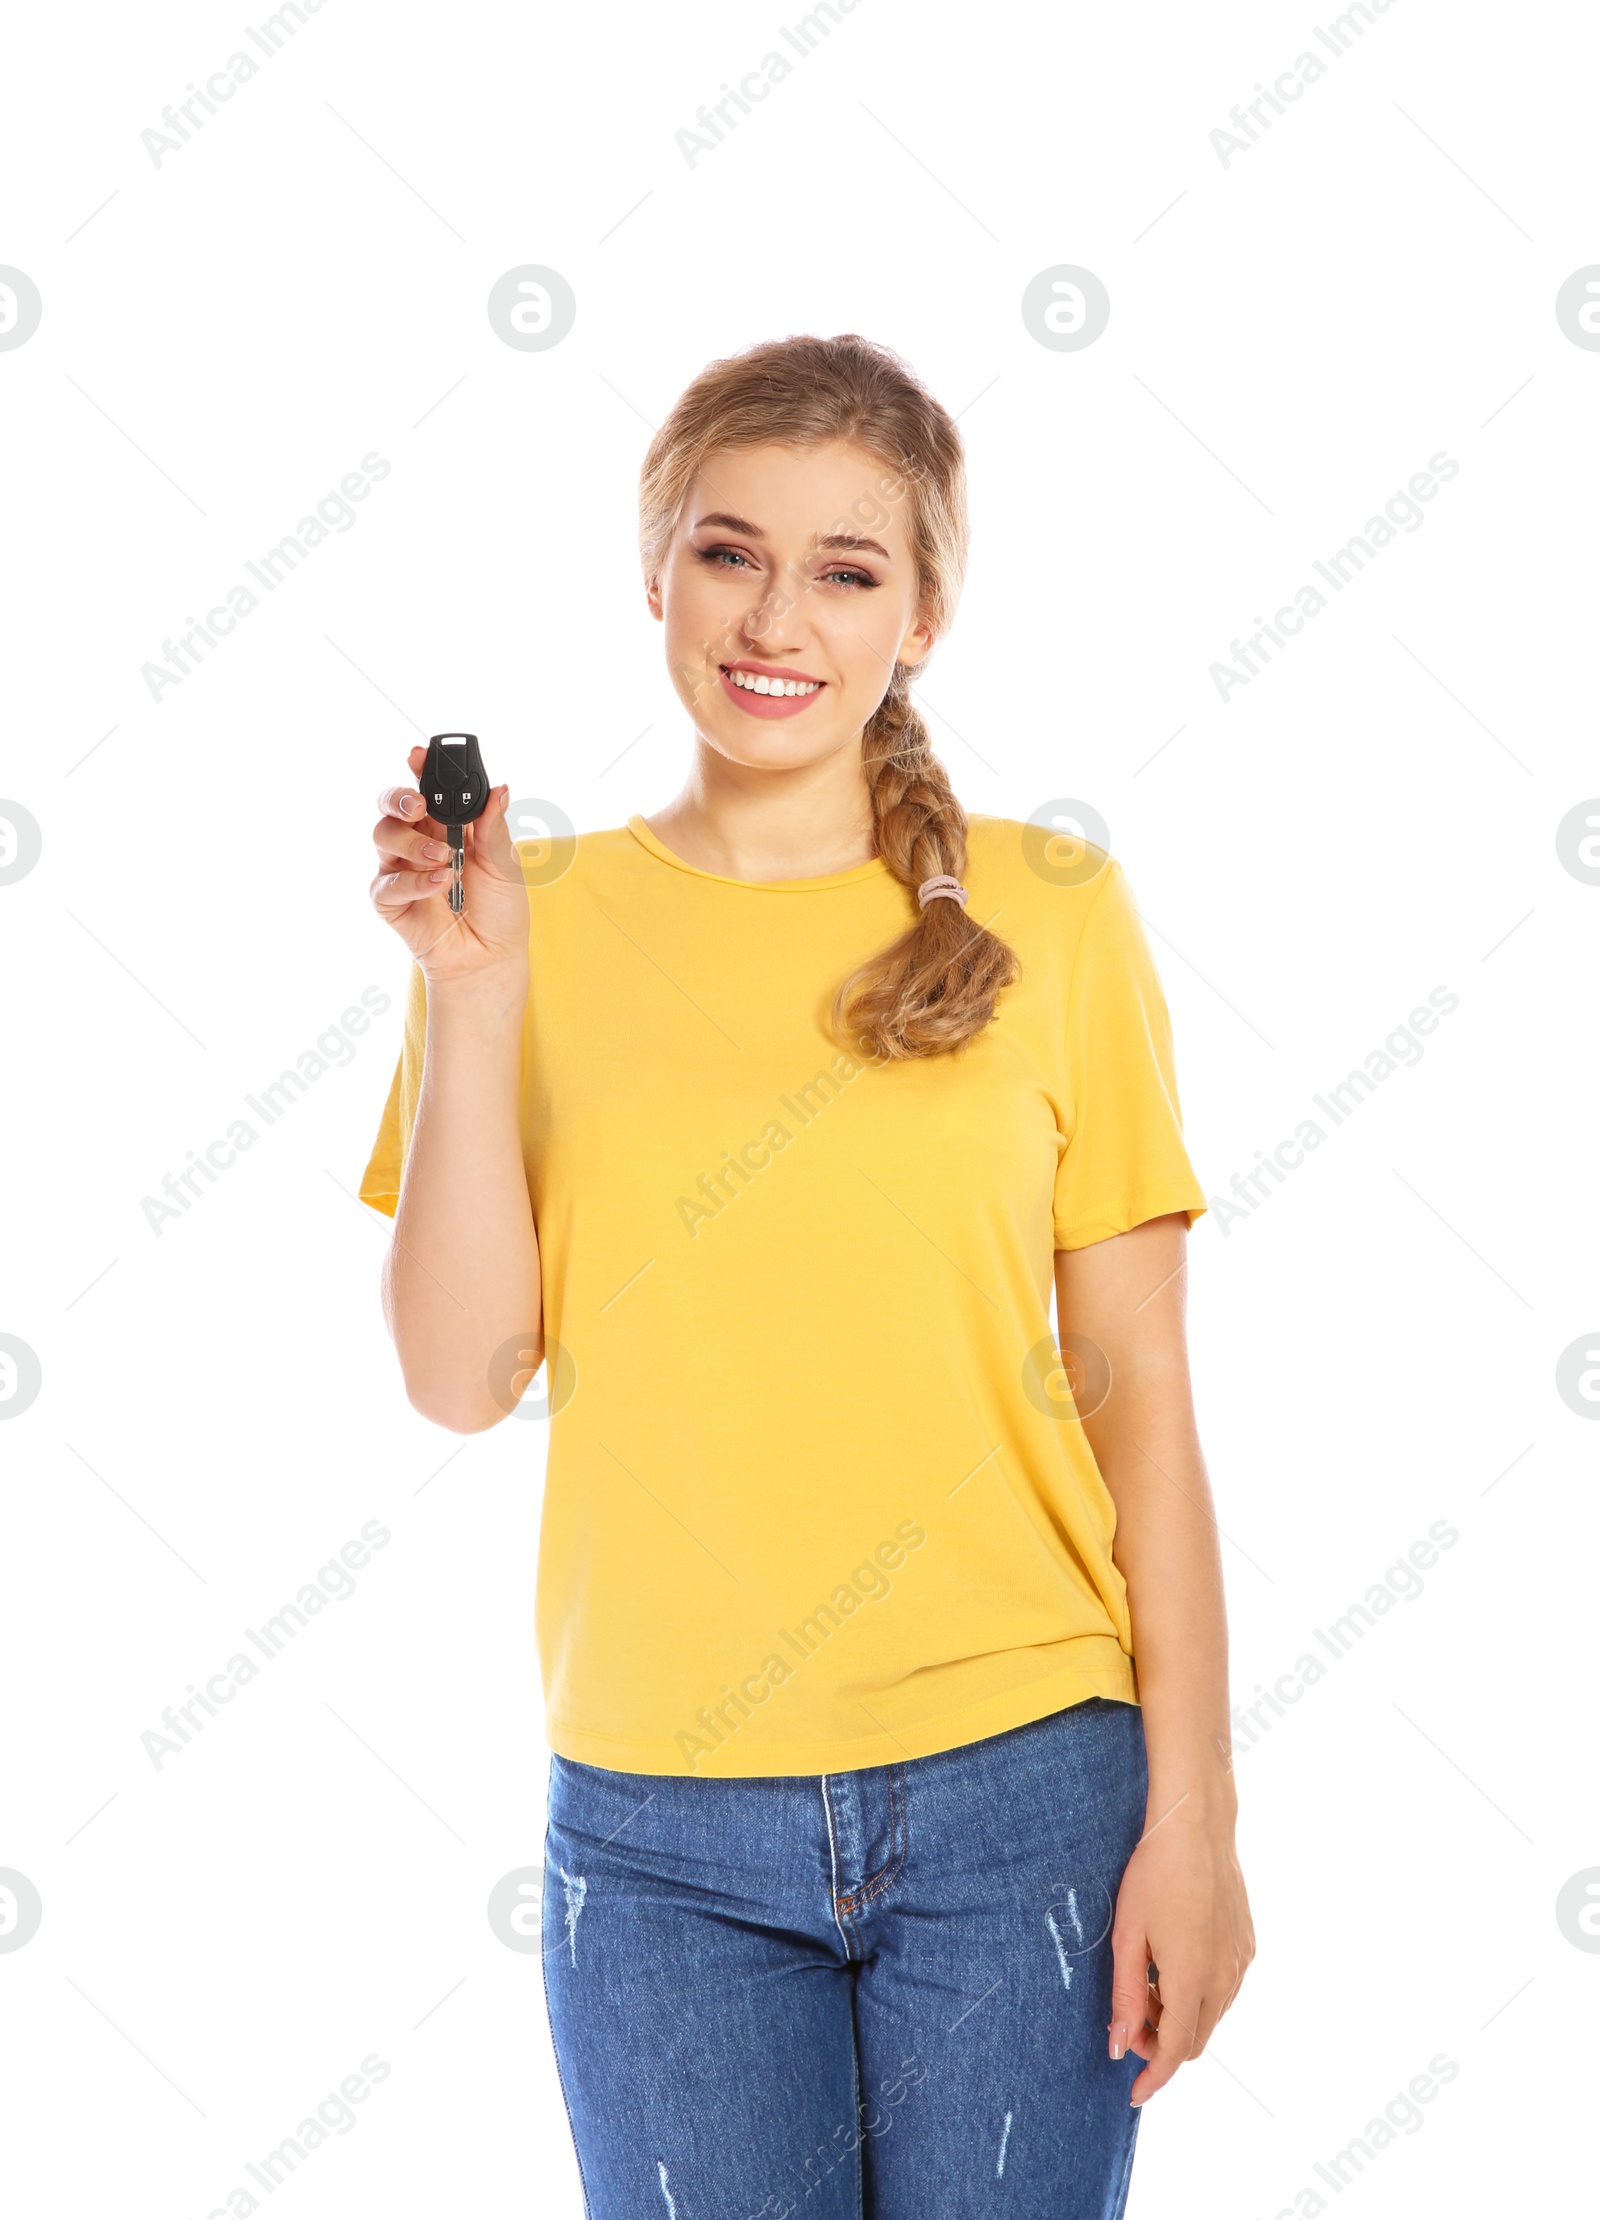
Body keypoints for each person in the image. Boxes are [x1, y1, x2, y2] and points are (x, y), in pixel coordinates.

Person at [361, 333, 1254, 2219]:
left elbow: (1143, 1400)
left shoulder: (1056, 917)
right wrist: (471, 993)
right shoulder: (531, 925)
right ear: (657, 574)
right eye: (727, 552)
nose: (778, 617)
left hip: (1026, 1788)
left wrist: (1202, 1822)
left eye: (849, 569)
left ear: (924, 612)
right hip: (658, 1824)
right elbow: (458, 1376)